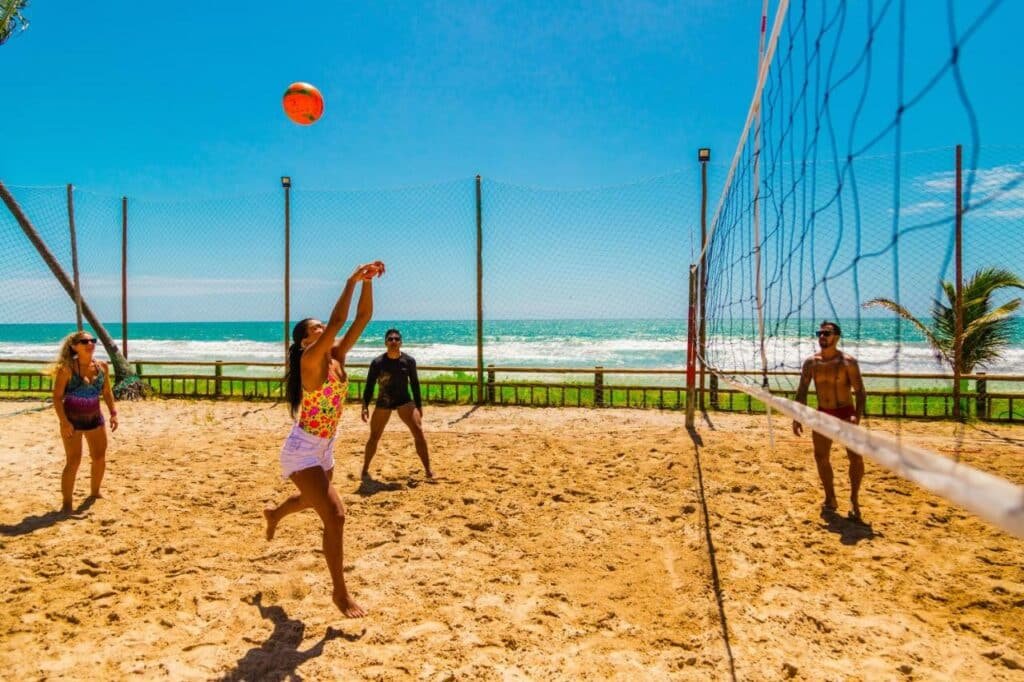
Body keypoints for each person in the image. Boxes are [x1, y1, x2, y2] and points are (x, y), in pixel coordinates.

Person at [263, 261, 384, 618]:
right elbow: (337, 322)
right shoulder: (311, 360)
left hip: (325, 446)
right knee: (335, 516)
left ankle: (275, 513)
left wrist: (367, 283)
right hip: (302, 451)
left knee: (314, 501)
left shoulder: (335, 357)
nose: (323, 330)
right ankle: (340, 594)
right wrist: (349, 279)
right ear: (305, 341)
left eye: (321, 327)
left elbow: (361, 318)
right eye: (315, 328)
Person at [792, 320, 867, 520]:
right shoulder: (811, 363)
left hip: (845, 414)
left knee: (855, 458)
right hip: (823, 414)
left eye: (827, 333)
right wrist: (797, 417)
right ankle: (830, 498)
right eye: (820, 333)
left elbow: (860, 392)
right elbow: (802, 390)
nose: (822, 336)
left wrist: (856, 417)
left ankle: (853, 499)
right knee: (821, 457)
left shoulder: (848, 362)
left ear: (837, 337)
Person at [51, 330, 119, 513]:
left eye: (92, 340)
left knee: (99, 457)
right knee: (73, 462)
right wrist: (64, 422)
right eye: (84, 341)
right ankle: (67, 503)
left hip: (95, 419)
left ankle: (95, 492)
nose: (90, 344)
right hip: (72, 421)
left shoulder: (102, 366)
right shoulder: (67, 369)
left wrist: (113, 412)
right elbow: (57, 398)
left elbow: (106, 392)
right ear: (74, 346)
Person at [360, 329, 433, 480]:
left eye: (396, 339)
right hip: (384, 400)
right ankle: (365, 469)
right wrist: (365, 406)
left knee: (419, 432)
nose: (393, 341)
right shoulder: (377, 363)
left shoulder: (409, 361)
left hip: (404, 400)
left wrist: (419, 406)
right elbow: (369, 385)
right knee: (374, 436)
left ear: (401, 342)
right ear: (385, 342)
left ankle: (428, 470)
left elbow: (415, 384)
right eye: (390, 339)